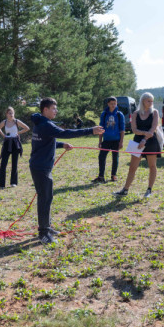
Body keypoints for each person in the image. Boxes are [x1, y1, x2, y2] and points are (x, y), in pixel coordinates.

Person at [29, 98, 104, 244]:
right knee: (44, 199)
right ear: (45, 109)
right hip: (41, 168)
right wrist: (90, 130)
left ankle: (47, 226)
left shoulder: (41, 123)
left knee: (47, 197)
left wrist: (61, 144)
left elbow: (47, 141)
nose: (56, 111)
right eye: (53, 108)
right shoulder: (45, 124)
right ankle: (43, 233)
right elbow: (66, 132)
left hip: (41, 166)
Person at [115, 92, 161, 199]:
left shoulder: (155, 112)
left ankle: (149, 189)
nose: (151, 103)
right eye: (148, 100)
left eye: (152, 101)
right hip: (137, 142)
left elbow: (153, 129)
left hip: (151, 141)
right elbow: (134, 130)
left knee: (152, 166)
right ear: (143, 101)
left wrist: (144, 139)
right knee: (132, 167)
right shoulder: (135, 113)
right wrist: (145, 134)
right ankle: (125, 189)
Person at [92, 96, 125, 183]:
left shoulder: (119, 114)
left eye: (115, 103)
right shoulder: (104, 114)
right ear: (108, 104)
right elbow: (100, 128)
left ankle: (113, 175)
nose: (113, 105)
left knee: (115, 157)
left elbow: (122, 129)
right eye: (111, 103)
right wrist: (100, 141)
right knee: (101, 157)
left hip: (116, 140)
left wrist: (121, 142)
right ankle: (101, 176)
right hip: (106, 140)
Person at [0, 107, 30, 189]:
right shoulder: (4, 122)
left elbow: (27, 128)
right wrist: (3, 135)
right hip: (7, 143)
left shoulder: (17, 121)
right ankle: (0, 184)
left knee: (14, 163)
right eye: (9, 113)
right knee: (3, 163)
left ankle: (13, 182)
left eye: (12, 113)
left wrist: (18, 132)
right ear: (6, 114)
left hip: (15, 143)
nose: (11, 114)